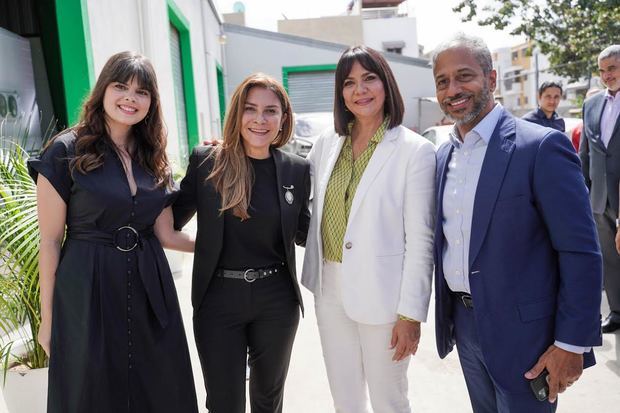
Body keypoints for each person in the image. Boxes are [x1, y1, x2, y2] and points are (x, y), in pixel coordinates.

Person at [432, 33, 602, 412]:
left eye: (464, 76)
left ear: (491, 80)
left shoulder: (540, 148)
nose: (453, 89)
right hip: (466, 327)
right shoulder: (444, 157)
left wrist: (571, 343)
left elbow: (580, 251)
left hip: (528, 338)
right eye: (442, 81)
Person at [28, 51, 198, 412]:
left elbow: (167, 235)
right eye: (121, 86)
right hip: (87, 284)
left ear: (151, 102)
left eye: (142, 92)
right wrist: (49, 319)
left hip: (150, 284)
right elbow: (49, 241)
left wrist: (227, 247)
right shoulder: (65, 150)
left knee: (159, 386)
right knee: (92, 391)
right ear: (103, 90)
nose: (130, 99)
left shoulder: (154, 155)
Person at [301, 45, 436, 413]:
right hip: (329, 289)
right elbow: (285, 173)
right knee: (345, 398)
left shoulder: (415, 151)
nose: (359, 90)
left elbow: (422, 241)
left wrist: (411, 314)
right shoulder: (327, 144)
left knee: (388, 399)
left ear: (386, 84)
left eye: (369, 79)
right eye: (349, 83)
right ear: (340, 93)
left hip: (384, 295)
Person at [172, 73, 311, 413]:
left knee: (267, 401)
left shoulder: (297, 170)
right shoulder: (208, 161)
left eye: (270, 111)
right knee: (224, 403)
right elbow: (170, 218)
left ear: (283, 118)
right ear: (237, 113)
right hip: (218, 299)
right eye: (251, 109)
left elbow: (306, 233)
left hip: (276, 299)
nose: (260, 120)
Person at [579, 44, 620, 334]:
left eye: (612, 68)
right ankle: (617, 312)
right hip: (599, 198)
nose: (606, 75)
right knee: (609, 258)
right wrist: (582, 192)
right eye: (603, 70)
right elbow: (585, 153)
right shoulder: (591, 104)